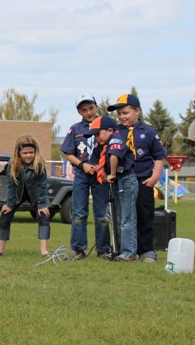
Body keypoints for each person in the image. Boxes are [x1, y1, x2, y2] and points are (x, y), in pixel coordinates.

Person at [107, 94, 167, 263]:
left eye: (125, 112)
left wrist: (155, 177)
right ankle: (124, 249)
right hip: (123, 181)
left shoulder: (148, 132)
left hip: (143, 180)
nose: (121, 117)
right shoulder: (117, 132)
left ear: (137, 111)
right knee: (124, 217)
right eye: (119, 114)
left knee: (144, 215)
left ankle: (147, 251)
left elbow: (158, 157)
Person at [61, 94, 111, 259]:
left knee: (102, 213)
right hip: (82, 174)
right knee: (79, 212)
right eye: (84, 110)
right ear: (79, 112)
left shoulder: (106, 125)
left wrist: (103, 166)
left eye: (91, 108)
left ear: (96, 107)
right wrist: (82, 165)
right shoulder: (75, 129)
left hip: (101, 175)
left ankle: (103, 249)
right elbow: (68, 153)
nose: (88, 112)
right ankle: (78, 248)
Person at [85, 115, 138, 261]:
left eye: (97, 133)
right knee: (117, 218)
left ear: (109, 130)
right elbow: (95, 161)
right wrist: (100, 171)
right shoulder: (100, 145)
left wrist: (112, 174)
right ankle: (118, 250)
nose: (96, 137)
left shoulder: (115, 139)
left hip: (125, 180)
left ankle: (129, 252)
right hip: (116, 184)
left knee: (126, 218)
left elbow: (114, 156)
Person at [0, 135, 51, 258]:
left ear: (35, 152)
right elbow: (11, 186)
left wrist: (42, 205)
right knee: (5, 216)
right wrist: (9, 204)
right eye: (25, 153)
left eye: (31, 152)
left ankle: (44, 251)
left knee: (44, 216)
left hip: (35, 195)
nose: (28, 155)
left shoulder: (39, 164)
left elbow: (42, 185)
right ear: (18, 153)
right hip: (17, 194)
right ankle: (0, 250)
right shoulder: (12, 164)